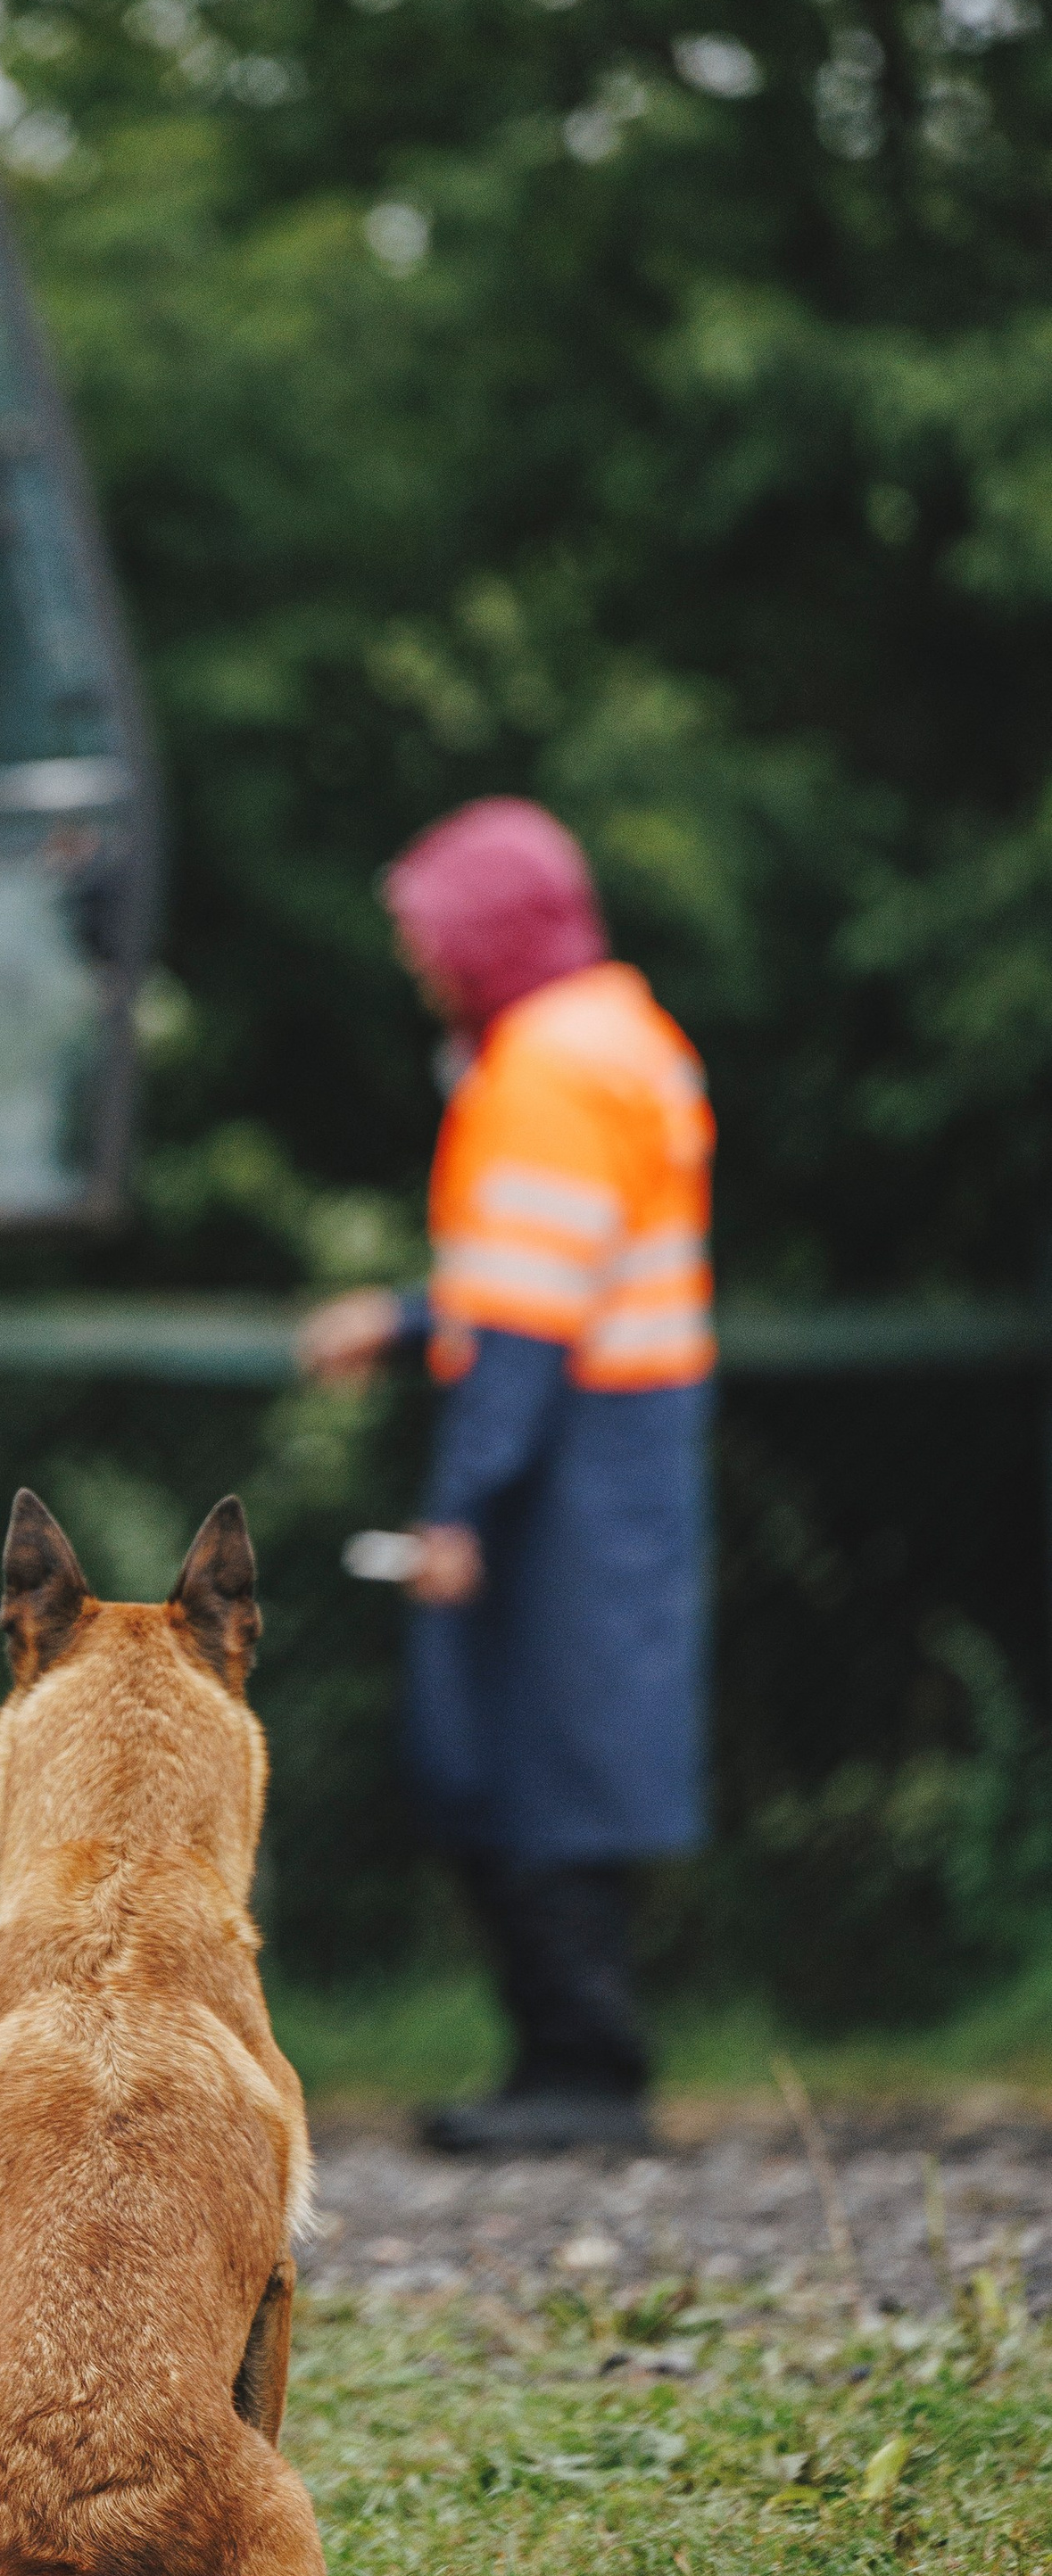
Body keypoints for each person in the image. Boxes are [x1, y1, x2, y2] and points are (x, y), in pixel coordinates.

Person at [301, 797, 714, 2154]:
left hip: (569, 1457)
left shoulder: (542, 1069)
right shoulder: (612, 1035)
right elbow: (545, 1278)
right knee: (556, 1743)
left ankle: (583, 2075)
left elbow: (533, 1328)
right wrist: (416, 1321)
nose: (419, 963)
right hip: (616, 1439)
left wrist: (461, 1510)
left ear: (486, 936)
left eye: (429, 935)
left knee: (539, 1751)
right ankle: (567, 2062)